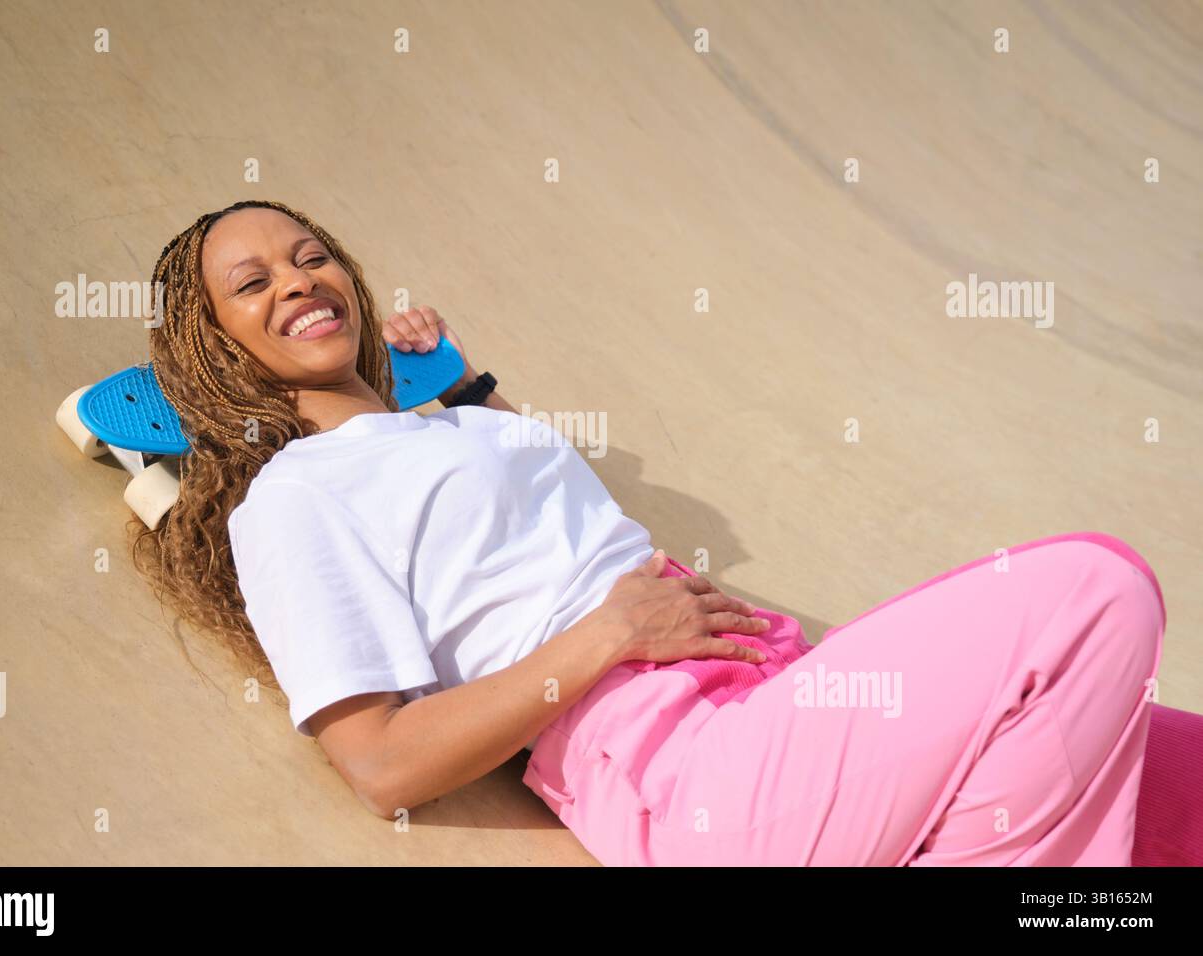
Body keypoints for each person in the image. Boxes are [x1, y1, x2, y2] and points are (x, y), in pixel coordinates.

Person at [132, 199, 1176, 866]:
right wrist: (610, 635)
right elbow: (383, 765)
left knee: (1182, 767)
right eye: (254, 282)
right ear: (211, 343)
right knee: (1094, 586)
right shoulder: (293, 497)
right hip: (686, 771)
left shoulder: (437, 423)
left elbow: (522, 511)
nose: (299, 279)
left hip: (775, 694)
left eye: (309, 255)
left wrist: (458, 380)